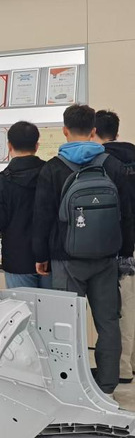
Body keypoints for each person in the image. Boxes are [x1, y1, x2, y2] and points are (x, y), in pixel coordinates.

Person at [33, 104, 134, 395]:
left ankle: (70, 382)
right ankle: (107, 384)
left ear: (65, 131)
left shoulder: (53, 167)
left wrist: (41, 256)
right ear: (93, 131)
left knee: (66, 323)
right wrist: (125, 252)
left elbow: (42, 217)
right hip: (107, 257)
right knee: (108, 322)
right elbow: (127, 215)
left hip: (65, 258)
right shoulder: (112, 166)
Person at [93, 110, 135, 384]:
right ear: (117, 133)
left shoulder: (102, 162)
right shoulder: (132, 157)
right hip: (131, 243)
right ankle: (130, 364)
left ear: (93, 133)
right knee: (131, 305)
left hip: (116, 244)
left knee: (119, 310)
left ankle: (120, 369)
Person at [0, 121, 49, 289]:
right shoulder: (51, 173)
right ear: (37, 146)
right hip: (50, 258)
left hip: (16, 258)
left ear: (9, 146)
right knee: (53, 305)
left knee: (20, 305)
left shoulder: (2, 181)